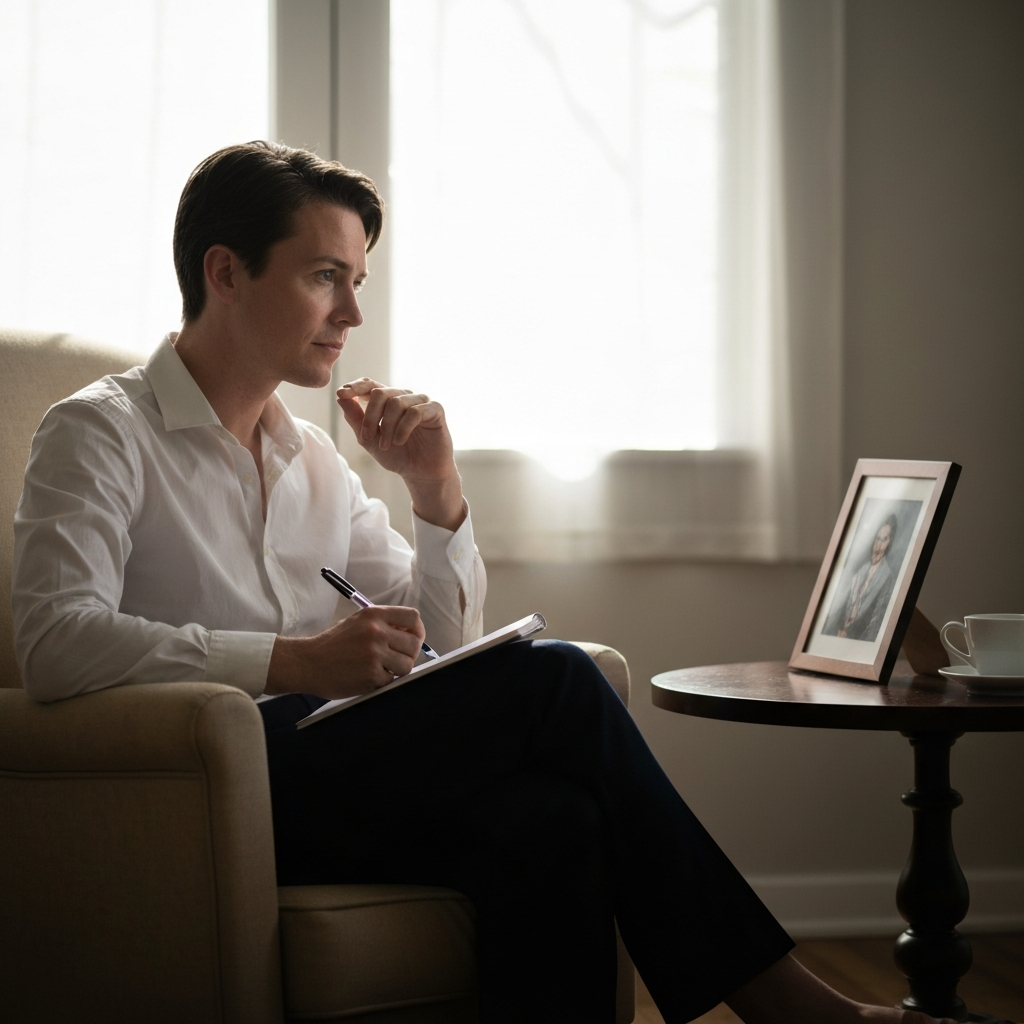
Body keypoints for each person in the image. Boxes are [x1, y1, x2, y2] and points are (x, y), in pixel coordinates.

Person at [12, 142, 955, 1024]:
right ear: (225, 273)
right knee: (558, 682)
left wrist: (434, 489)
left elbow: (449, 648)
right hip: (207, 791)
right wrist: (296, 658)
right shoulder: (99, 432)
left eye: (358, 281)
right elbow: (55, 641)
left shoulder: (314, 463)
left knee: (555, 820)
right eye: (324, 277)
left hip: (335, 779)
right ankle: (793, 1005)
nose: (353, 313)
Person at [829, 514, 899, 642]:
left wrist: (849, 635)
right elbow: (841, 607)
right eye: (877, 539)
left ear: (890, 542)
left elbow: (875, 626)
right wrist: (839, 630)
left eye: (884, 540)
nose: (878, 546)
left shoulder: (888, 580)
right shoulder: (860, 571)